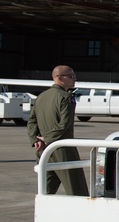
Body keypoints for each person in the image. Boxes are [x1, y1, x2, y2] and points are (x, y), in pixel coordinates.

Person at [27, 65, 88, 197]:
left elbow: (32, 121)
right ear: (59, 78)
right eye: (71, 76)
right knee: (77, 191)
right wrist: (48, 138)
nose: (74, 79)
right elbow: (64, 124)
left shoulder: (41, 97)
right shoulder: (66, 97)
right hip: (63, 150)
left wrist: (35, 139)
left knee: (45, 191)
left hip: (43, 151)